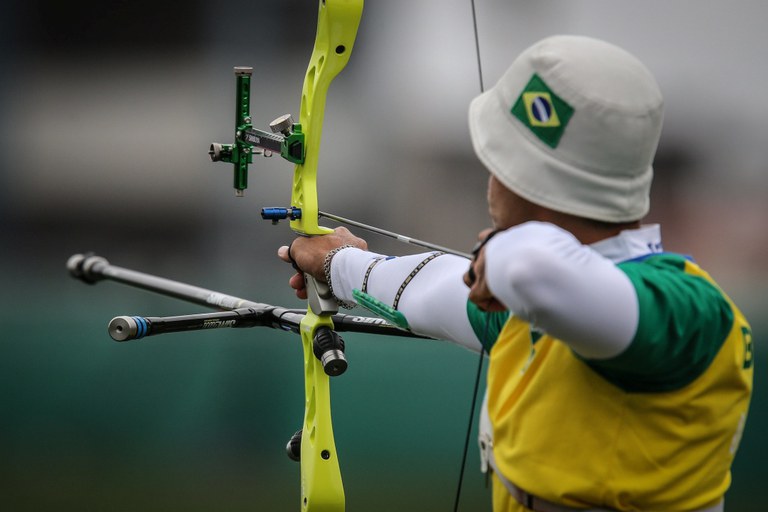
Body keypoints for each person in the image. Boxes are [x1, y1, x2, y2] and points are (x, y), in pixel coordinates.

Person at [278, 35, 754, 511]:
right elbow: (433, 289)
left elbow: (530, 269)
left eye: (498, 161)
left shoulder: (690, 313)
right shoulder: (549, 307)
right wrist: (336, 262)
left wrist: (506, 250)